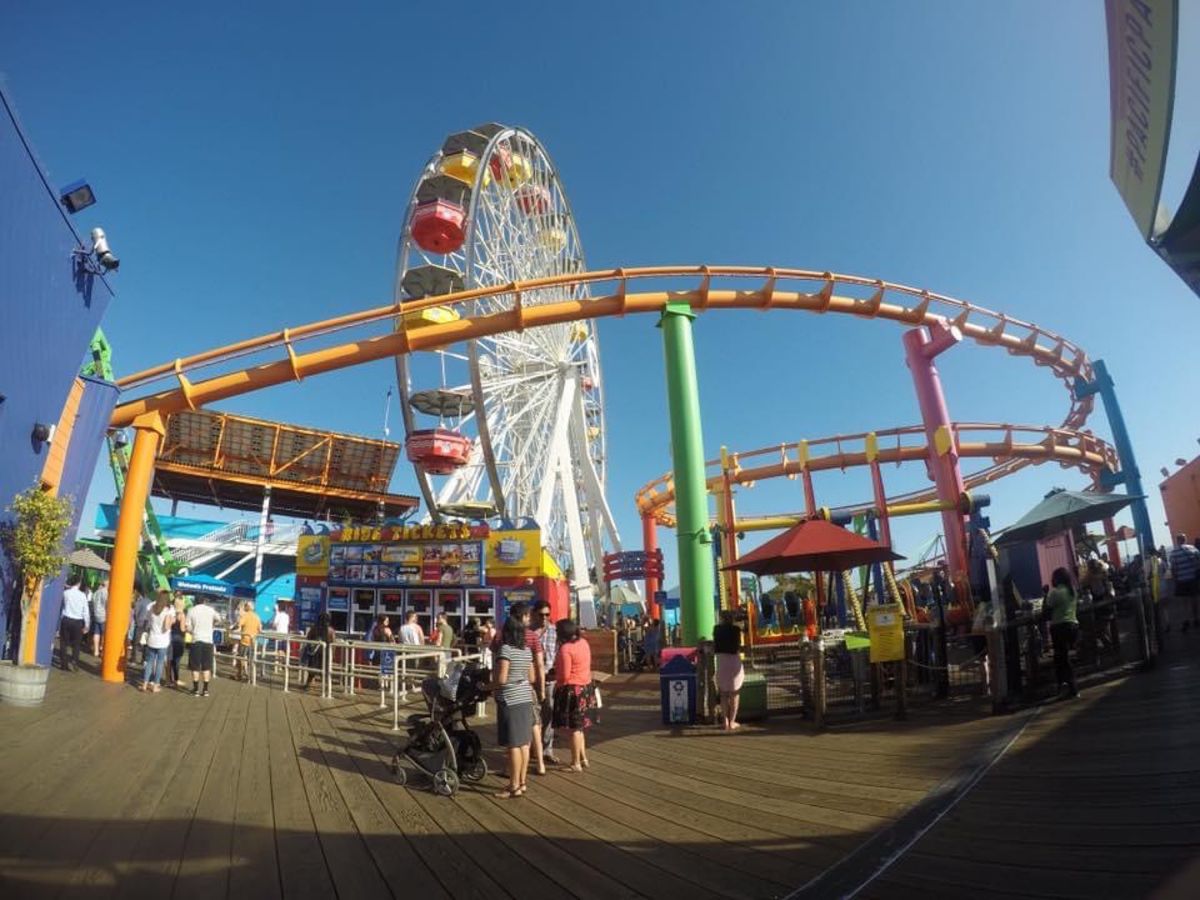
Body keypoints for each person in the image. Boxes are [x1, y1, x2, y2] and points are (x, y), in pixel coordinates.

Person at [487, 610, 536, 798]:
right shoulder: (526, 650)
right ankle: (522, 783)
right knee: (524, 743)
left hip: (510, 699)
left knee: (513, 745)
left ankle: (513, 786)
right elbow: (532, 677)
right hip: (525, 698)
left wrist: (486, 686)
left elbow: (501, 679)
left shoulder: (506, 650)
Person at [552, 618, 594, 772]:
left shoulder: (566, 649)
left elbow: (564, 676)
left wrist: (555, 680)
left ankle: (575, 763)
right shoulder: (584, 643)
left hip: (572, 690)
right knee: (579, 726)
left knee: (573, 729)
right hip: (585, 687)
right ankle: (583, 758)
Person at [1045, 567, 1079, 699]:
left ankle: (1069, 686)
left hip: (1060, 627)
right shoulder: (1072, 591)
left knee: (1061, 658)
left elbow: (1046, 610)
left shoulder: (1055, 592)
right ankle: (1067, 686)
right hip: (1073, 626)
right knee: (1063, 658)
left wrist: (1046, 594)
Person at [533, 601, 559, 766]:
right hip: (532, 679)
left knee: (549, 714)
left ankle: (547, 749)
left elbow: (559, 653)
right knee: (532, 716)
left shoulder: (555, 631)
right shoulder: (528, 632)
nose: (544, 618)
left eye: (547, 614)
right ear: (534, 614)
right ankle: (533, 748)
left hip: (549, 679)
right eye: (541, 614)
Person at [712, 610, 744, 731]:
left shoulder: (717, 629)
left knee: (724, 694)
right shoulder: (736, 629)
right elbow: (738, 646)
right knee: (734, 694)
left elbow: (715, 644)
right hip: (734, 662)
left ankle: (725, 721)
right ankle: (732, 721)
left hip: (722, 662)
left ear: (721, 618)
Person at [141, 592, 176, 693]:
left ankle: (145, 684)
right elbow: (167, 626)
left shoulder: (152, 607)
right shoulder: (169, 610)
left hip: (152, 638)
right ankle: (155, 685)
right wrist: (172, 620)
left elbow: (147, 620)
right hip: (163, 640)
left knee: (149, 662)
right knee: (160, 663)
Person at [185, 594, 218, 697]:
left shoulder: (191, 610)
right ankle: (205, 690)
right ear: (204, 601)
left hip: (196, 640)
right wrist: (213, 625)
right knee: (206, 666)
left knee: (195, 666)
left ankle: (196, 690)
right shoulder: (210, 610)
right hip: (208, 640)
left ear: (195, 601)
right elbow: (219, 618)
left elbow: (187, 627)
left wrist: (192, 631)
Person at [1169, 533, 1200, 632]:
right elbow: (1198, 563)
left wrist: (1175, 580)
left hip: (1181, 580)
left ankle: (1186, 620)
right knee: (1194, 600)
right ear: (1185, 539)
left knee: (1184, 602)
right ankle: (1196, 619)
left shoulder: (1173, 553)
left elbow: (1173, 568)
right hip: (1193, 579)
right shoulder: (1193, 549)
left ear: (1177, 541)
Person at [59, 577, 90, 672]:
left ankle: (64, 663)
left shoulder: (65, 593)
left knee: (63, 642)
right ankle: (74, 660)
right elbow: (86, 611)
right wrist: (87, 624)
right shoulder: (82, 595)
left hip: (66, 618)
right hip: (78, 621)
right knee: (76, 644)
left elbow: (62, 606)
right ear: (78, 583)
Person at [303, 611, 337, 690]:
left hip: (315, 652)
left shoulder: (314, 628)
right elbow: (334, 643)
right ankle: (326, 687)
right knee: (325, 670)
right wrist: (333, 654)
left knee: (312, 671)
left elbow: (308, 638)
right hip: (326, 653)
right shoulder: (330, 630)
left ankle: (308, 685)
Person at [235, 601, 263, 681]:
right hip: (253, 641)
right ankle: (250, 677)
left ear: (248, 607)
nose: (244, 607)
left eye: (245, 606)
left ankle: (240, 675)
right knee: (251, 660)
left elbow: (238, 625)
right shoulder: (257, 617)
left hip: (244, 640)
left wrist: (233, 628)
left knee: (241, 658)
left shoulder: (245, 615)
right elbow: (260, 629)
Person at [168, 597, 187, 686]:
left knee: (170, 659)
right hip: (179, 639)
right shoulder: (182, 615)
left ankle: (170, 679)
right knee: (177, 660)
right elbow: (182, 629)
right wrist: (187, 628)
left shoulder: (171, 613)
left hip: (171, 637)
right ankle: (176, 679)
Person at [90, 577, 109, 657]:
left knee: (96, 633)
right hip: (103, 615)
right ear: (107, 585)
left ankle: (96, 651)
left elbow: (93, 602)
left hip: (96, 614)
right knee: (104, 633)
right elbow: (107, 603)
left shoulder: (96, 592)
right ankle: (102, 649)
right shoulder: (105, 592)